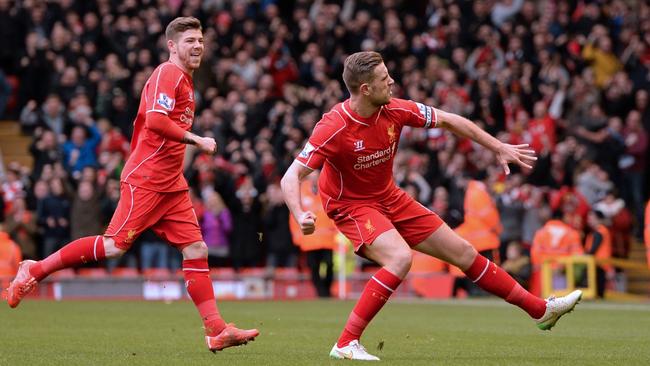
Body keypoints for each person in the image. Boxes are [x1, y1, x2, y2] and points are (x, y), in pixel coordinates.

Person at [281, 51, 582, 361]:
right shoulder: (334, 125)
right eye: (385, 79)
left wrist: (498, 147)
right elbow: (291, 177)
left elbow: (449, 120)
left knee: (464, 253)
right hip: (351, 206)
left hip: (389, 197)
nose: (392, 82)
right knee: (399, 258)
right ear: (366, 89)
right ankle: (346, 342)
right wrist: (298, 211)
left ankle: (540, 310)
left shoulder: (396, 109)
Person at [6, 17, 258, 352]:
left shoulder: (185, 79)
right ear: (172, 45)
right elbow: (155, 120)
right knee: (114, 247)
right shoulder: (167, 74)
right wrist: (195, 139)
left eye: (200, 40)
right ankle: (34, 269)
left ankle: (215, 330)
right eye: (189, 41)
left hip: (171, 182)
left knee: (197, 249)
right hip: (147, 178)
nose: (197, 45)